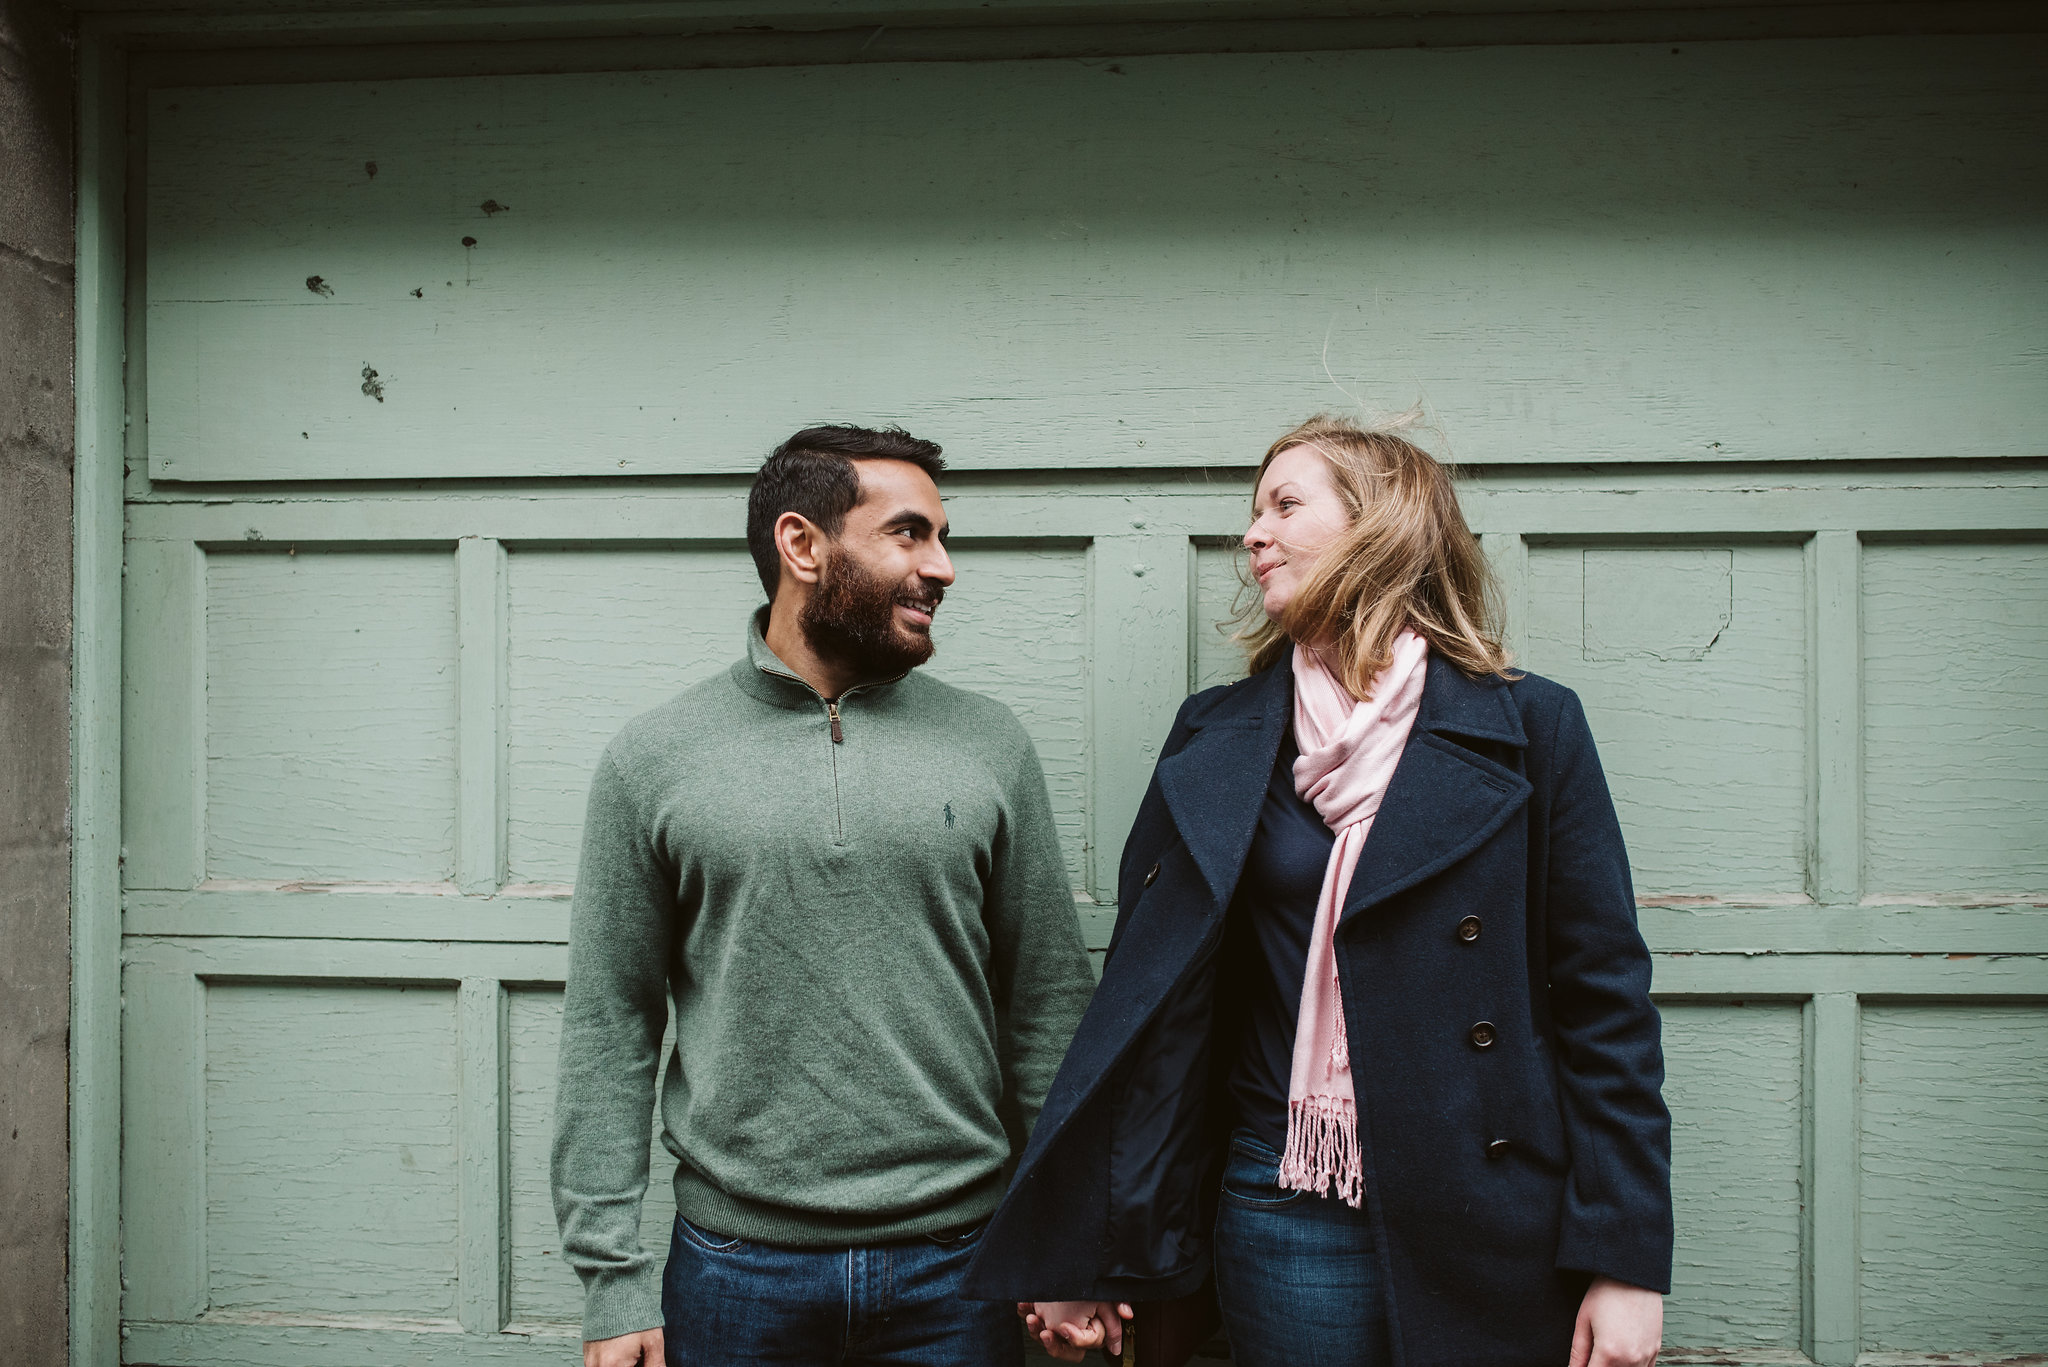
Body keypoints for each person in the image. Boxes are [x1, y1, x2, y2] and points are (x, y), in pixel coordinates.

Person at [964, 415, 1672, 1367]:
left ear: (1379, 525)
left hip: (1488, 1203)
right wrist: (1089, 1248)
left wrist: (1626, 1262)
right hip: (1283, 1200)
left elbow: (1604, 1007)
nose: (1253, 534)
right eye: (1254, 511)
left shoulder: (1531, 725)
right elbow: (1151, 1017)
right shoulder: (1219, 736)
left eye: (1285, 505)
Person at [552, 424, 1096, 1367]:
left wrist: (1063, 1238)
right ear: (803, 546)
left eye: (940, 536)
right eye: (909, 534)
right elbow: (610, 1024)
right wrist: (613, 1281)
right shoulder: (654, 758)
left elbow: (1046, 1005)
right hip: (733, 1271)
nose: (944, 568)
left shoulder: (989, 743)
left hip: (960, 1267)